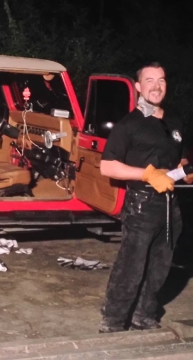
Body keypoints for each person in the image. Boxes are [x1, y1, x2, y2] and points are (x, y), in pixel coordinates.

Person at [98, 62, 191, 333]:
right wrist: (148, 175)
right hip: (141, 204)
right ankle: (113, 320)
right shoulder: (129, 125)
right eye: (149, 80)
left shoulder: (174, 120)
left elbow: (180, 153)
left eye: (161, 80)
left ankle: (143, 314)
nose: (156, 86)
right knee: (132, 266)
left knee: (161, 265)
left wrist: (184, 169)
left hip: (169, 204)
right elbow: (108, 166)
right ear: (138, 87)